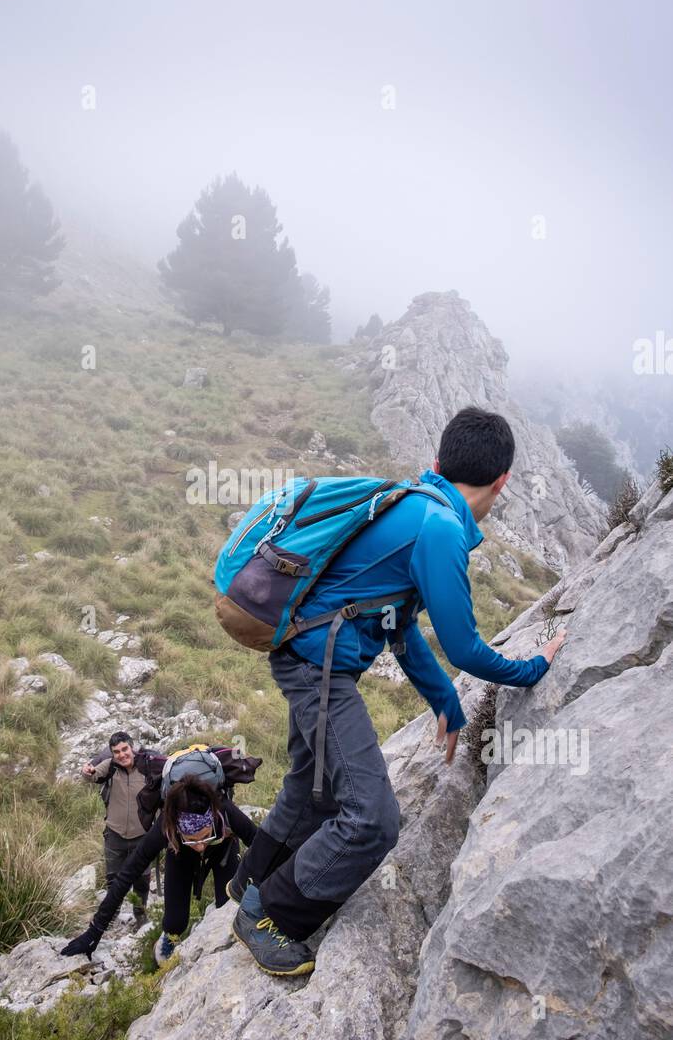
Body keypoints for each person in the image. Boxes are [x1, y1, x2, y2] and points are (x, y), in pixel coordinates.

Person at [229, 408, 568, 977]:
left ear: (439, 460)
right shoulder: (438, 527)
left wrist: (445, 703)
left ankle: (249, 879)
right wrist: (534, 667)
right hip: (319, 668)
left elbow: (396, 624)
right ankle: (270, 915)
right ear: (502, 481)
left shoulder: (413, 503)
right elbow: (464, 648)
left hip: (307, 655)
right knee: (371, 818)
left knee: (311, 788)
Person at [62, 754, 258, 966]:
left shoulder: (225, 811)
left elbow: (264, 848)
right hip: (180, 854)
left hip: (223, 850)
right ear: (176, 828)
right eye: (192, 840)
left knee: (227, 907)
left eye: (205, 837)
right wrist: (95, 931)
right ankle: (169, 940)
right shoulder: (166, 826)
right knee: (175, 922)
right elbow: (127, 874)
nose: (200, 846)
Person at [82, 730, 154, 927]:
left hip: (142, 835)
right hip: (115, 835)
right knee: (113, 880)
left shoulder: (147, 766)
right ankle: (109, 916)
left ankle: (140, 917)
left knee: (142, 881)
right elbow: (94, 776)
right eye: (117, 751)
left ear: (132, 747)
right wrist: (86, 772)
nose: (122, 755)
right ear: (112, 753)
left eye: (125, 749)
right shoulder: (111, 766)